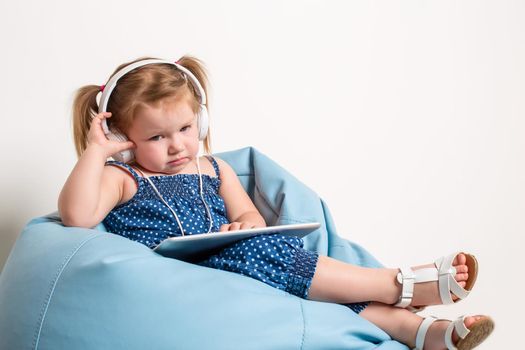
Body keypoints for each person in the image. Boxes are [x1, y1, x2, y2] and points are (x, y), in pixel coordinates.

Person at [58, 56, 494, 350]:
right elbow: (78, 216)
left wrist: (244, 224)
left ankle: (426, 333)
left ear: (201, 120)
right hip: (185, 276)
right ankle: (397, 284)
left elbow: (247, 212)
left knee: (304, 278)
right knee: (260, 254)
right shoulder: (124, 178)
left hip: (242, 260)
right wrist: (96, 153)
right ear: (124, 139)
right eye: (156, 137)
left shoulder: (213, 169)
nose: (177, 146)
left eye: (186, 128)